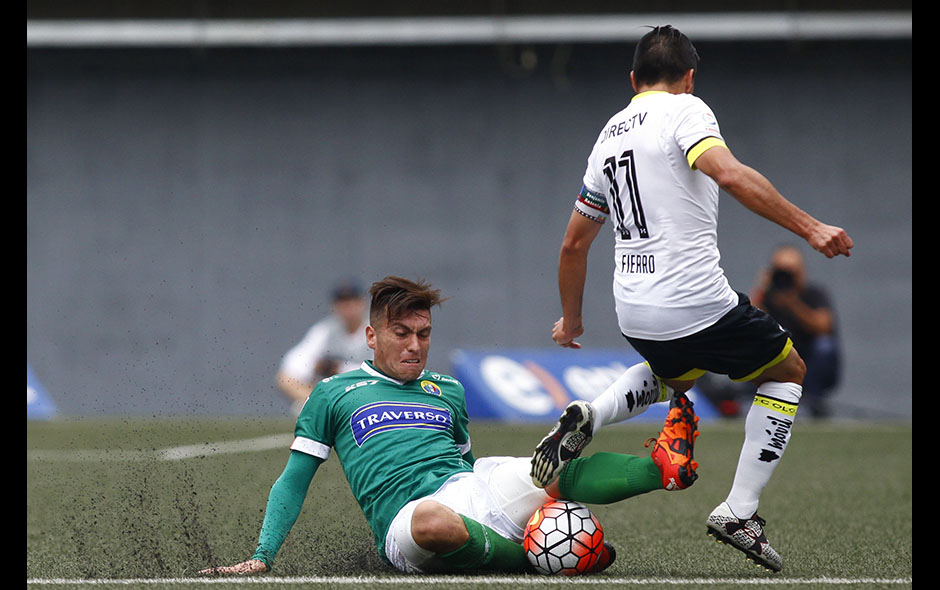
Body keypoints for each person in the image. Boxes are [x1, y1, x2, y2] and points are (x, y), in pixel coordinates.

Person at [529, 25, 853, 573]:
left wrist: (572, 320)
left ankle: (594, 413)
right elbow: (730, 175)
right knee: (788, 372)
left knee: (674, 374)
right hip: (694, 301)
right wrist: (811, 227)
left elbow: (573, 244)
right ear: (689, 78)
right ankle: (739, 511)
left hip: (634, 308)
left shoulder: (607, 136)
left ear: (633, 79)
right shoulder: (686, 110)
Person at [200, 276, 700, 576]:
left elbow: (465, 462)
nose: (415, 345)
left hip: (470, 486)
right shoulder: (333, 393)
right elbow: (294, 479)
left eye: (424, 333)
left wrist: (507, 492)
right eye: (401, 333)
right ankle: (530, 557)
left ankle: (663, 469)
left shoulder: (447, 388)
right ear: (372, 336)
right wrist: (262, 555)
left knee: (545, 469)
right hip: (406, 521)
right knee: (434, 522)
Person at [751, 245, 841, 417]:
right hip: (774, 360)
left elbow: (824, 327)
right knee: (749, 343)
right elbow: (748, 323)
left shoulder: (814, 294)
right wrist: (761, 289)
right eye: (781, 271)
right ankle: (752, 398)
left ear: (802, 271)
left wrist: (793, 304)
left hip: (808, 360)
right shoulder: (766, 297)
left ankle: (811, 401)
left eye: (791, 271)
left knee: (825, 345)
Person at [275, 279, 372, 412]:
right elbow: (289, 372)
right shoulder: (324, 332)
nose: (348, 307)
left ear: (363, 303)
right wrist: (315, 398)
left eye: (352, 300)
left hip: (369, 397)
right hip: (336, 398)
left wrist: (340, 368)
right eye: (342, 302)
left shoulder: (377, 330)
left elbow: (382, 373)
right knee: (293, 391)